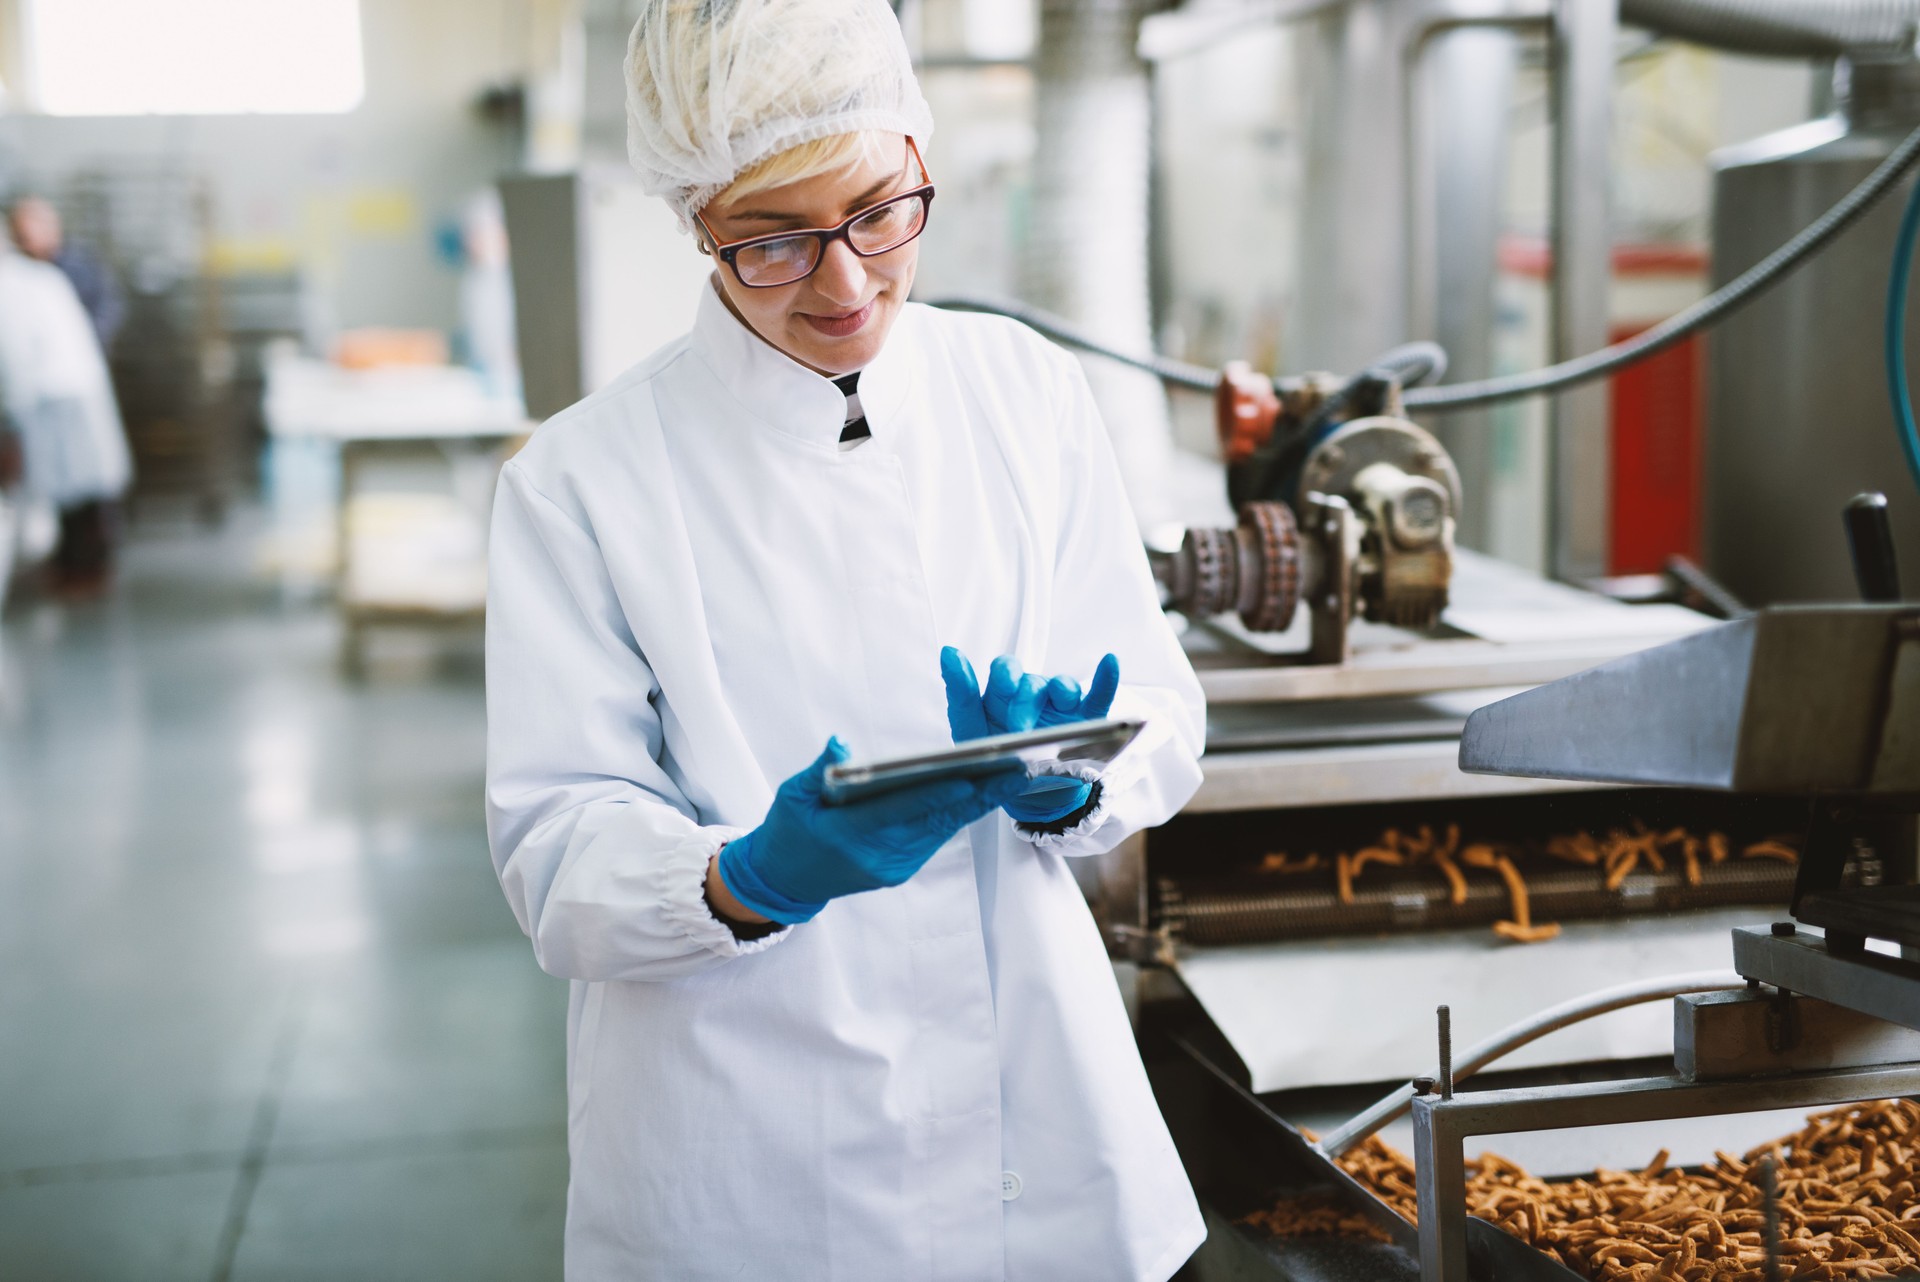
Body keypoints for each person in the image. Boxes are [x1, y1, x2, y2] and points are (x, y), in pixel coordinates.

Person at [483, 1, 1208, 1277]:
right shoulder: (584, 480)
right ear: (696, 224)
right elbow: (553, 844)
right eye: (773, 240)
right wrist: (748, 876)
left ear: (920, 157)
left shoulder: (1022, 389)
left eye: (879, 211)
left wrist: (1071, 781)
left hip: (1032, 1142)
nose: (847, 280)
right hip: (748, 1156)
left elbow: (1156, 702)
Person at [0, 228, 131, 597]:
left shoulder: (13, 287)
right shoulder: (33, 277)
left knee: (76, 487)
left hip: (53, 393)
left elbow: (16, 355)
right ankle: (76, 567)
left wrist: (11, 408)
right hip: (68, 387)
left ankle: (83, 570)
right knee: (79, 485)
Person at [9, 197, 125, 351]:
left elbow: (109, 307)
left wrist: (83, 341)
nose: (27, 244)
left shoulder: (81, 265)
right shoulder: (19, 273)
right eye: (21, 237)